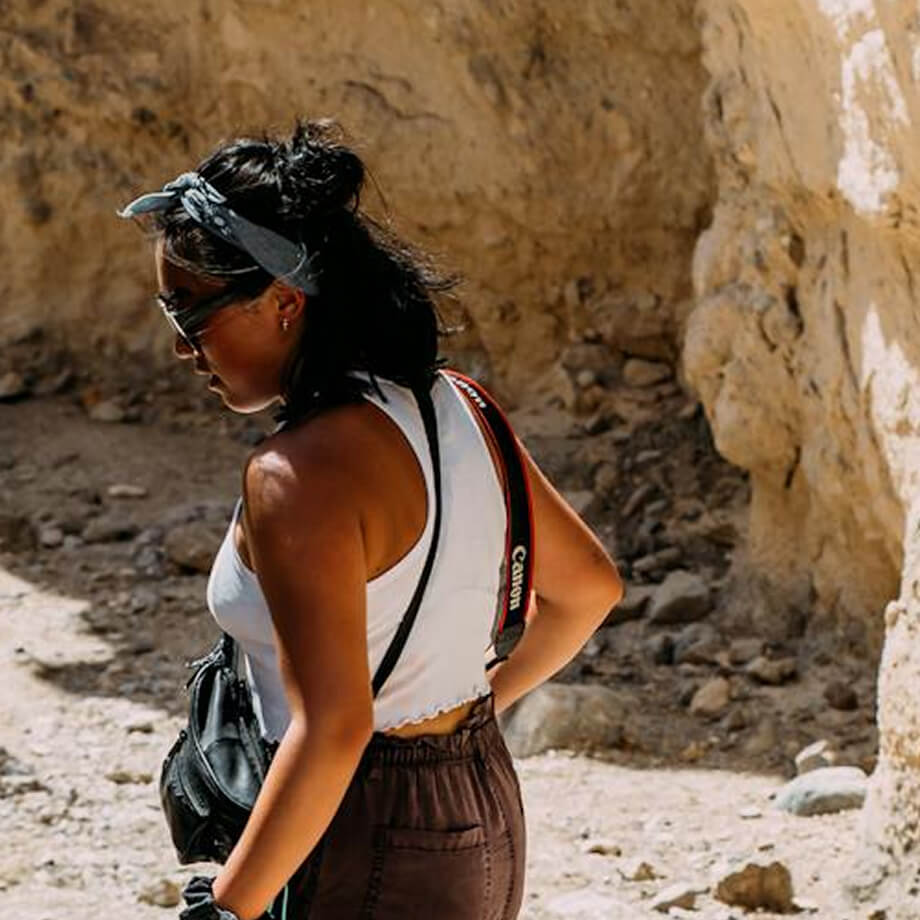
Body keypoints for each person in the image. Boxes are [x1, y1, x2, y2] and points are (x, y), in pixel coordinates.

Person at [119, 120, 623, 920]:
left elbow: (334, 728)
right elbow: (589, 589)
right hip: (483, 804)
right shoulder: (461, 405)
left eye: (191, 312)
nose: (181, 346)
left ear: (282, 301)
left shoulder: (296, 477)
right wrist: (464, 711)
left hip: (354, 831)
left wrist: (227, 907)